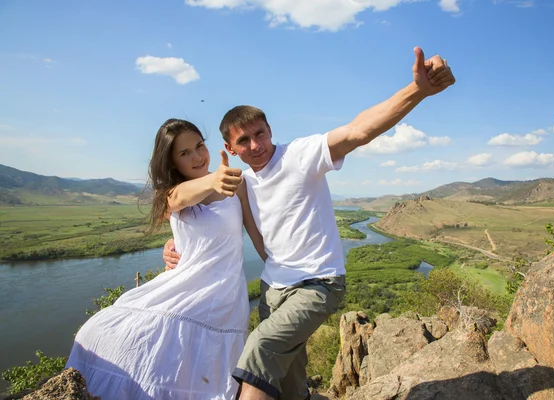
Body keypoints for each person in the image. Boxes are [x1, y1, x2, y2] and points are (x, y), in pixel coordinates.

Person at [163, 47, 456, 400]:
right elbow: (192, 210)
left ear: (270, 129)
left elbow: (359, 130)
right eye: (244, 140)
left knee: (259, 348)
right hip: (273, 288)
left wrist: (418, 91)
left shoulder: (301, 155)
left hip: (319, 283)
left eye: (260, 133)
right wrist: (176, 247)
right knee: (287, 380)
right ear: (230, 147)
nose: (257, 145)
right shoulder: (242, 183)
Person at [67, 118, 267, 400]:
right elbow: (179, 199)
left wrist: (278, 269)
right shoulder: (172, 194)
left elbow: (256, 235)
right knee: (99, 332)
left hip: (221, 297)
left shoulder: (237, 183)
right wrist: (213, 179)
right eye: (185, 153)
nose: (197, 156)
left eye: (199, 146)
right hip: (181, 288)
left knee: (196, 372)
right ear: (172, 162)